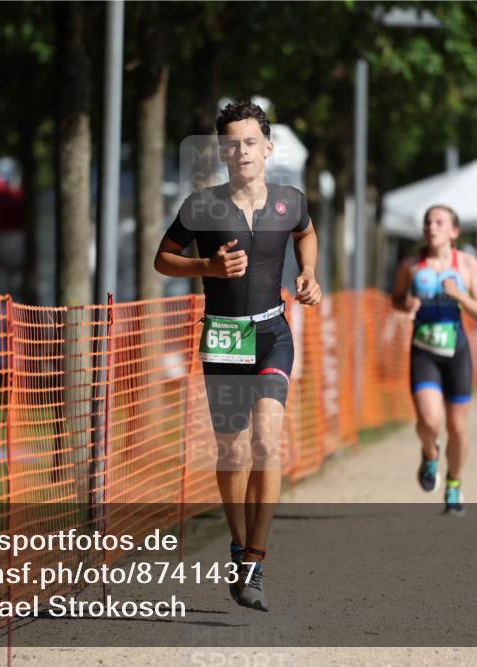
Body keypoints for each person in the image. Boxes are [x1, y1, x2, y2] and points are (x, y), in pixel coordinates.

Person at [153, 100, 321, 611]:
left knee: (268, 443)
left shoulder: (290, 201)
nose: (242, 151)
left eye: (251, 142)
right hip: (224, 337)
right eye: (232, 144)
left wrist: (308, 274)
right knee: (234, 452)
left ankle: (255, 559)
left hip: (271, 332)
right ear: (221, 151)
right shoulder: (201, 206)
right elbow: (163, 260)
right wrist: (208, 266)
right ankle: (236, 543)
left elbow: (306, 234)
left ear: (268, 148)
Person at [392, 205, 477, 515]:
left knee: (458, 428)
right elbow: (396, 299)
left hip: (456, 350)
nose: (431, 227)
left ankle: (454, 483)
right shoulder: (410, 266)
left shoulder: (469, 265)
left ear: (453, 232)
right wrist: (407, 303)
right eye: (427, 222)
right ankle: (429, 451)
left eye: (439, 222)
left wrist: (460, 296)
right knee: (429, 421)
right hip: (424, 350)